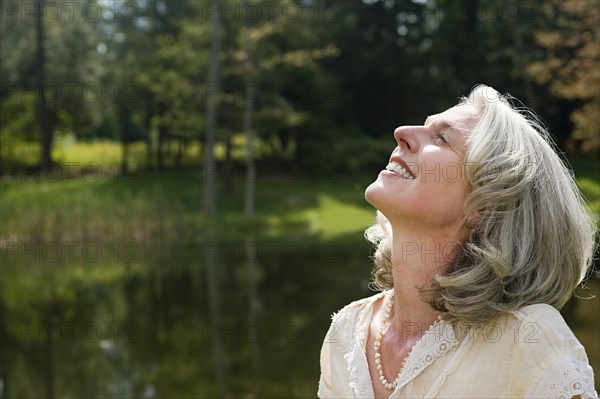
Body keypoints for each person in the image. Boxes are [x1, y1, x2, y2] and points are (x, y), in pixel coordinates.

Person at [317, 85, 598, 398]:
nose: (402, 132)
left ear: (486, 204)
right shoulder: (346, 330)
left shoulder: (529, 339)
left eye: (441, 137)